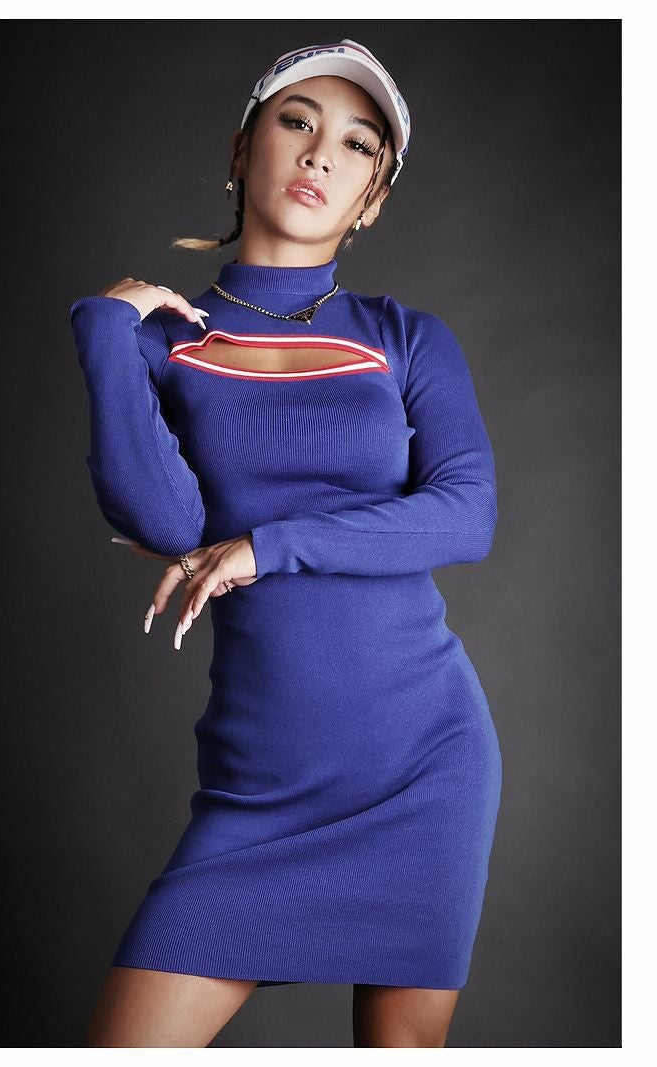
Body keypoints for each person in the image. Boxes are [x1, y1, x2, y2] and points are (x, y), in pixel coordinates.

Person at [69, 38, 503, 1048]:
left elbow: (465, 513)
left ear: (372, 199)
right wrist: (100, 329)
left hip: (423, 758)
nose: (319, 154)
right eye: (296, 122)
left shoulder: (405, 337)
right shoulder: (163, 338)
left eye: (356, 145)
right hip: (261, 777)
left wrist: (268, 545)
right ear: (241, 149)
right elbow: (165, 522)